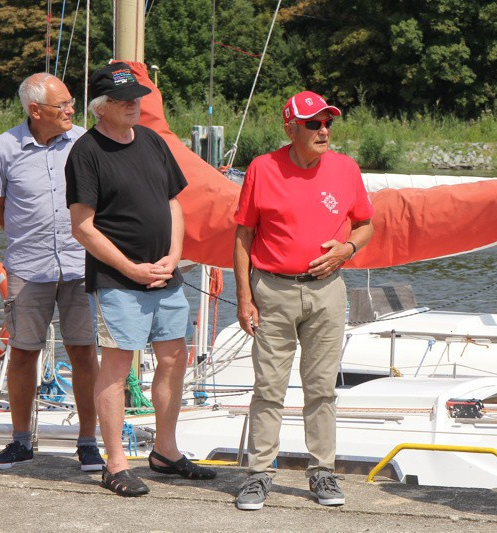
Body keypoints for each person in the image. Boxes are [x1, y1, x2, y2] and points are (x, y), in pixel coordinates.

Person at [65, 62, 215, 496]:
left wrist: (173, 256)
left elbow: (174, 205)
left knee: (173, 358)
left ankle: (165, 452)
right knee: (114, 367)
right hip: (117, 281)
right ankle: (114, 464)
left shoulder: (151, 141)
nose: (134, 104)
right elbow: (84, 227)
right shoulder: (86, 152)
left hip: (165, 275)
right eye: (123, 99)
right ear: (100, 106)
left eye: (136, 97)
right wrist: (130, 268)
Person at [232, 91, 374, 510]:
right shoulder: (262, 168)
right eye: (313, 124)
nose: (324, 130)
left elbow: (365, 225)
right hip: (271, 289)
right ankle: (259, 475)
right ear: (290, 128)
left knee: (321, 388)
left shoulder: (346, 168)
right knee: (268, 387)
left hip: (327, 292)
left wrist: (347, 249)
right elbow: (243, 236)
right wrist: (244, 297)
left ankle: (322, 473)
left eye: (327, 123)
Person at [0, 73, 103, 472]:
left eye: (71, 102)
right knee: (22, 354)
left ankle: (88, 444)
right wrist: (30, 238)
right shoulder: (2, 149)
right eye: (62, 105)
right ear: (35, 111)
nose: (71, 109)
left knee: (84, 353)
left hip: (80, 264)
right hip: (28, 267)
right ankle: (20, 442)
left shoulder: (87, 142)